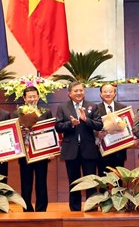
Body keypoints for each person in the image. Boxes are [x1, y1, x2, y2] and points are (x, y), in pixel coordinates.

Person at [55, 81, 103, 211]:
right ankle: (75, 209)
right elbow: (58, 127)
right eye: (75, 91)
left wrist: (86, 120)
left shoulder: (92, 106)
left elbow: (99, 125)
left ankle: (92, 207)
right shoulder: (63, 107)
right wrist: (71, 124)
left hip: (89, 150)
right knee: (74, 182)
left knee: (91, 181)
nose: (79, 93)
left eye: (81, 90)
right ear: (69, 93)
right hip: (71, 150)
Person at [13, 86, 53, 212]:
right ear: (24, 98)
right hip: (25, 153)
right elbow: (13, 133)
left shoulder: (46, 112)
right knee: (26, 183)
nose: (32, 99)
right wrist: (22, 133)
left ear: (38, 97)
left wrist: (51, 151)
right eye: (29, 97)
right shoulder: (17, 113)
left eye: (34, 96)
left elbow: (51, 131)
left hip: (41, 153)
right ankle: (27, 208)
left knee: (41, 182)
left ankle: (41, 209)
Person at [95, 83, 128, 175]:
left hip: (119, 150)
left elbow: (127, 127)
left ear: (115, 93)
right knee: (103, 180)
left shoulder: (123, 108)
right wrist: (97, 133)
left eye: (110, 92)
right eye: (105, 92)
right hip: (102, 151)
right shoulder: (96, 109)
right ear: (101, 94)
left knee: (119, 180)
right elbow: (91, 126)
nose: (108, 94)